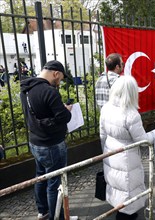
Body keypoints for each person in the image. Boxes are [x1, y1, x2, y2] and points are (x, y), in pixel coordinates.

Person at [100, 75, 155, 220]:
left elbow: (102, 134)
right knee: (128, 191)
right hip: (127, 157)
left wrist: (105, 152)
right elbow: (143, 141)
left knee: (116, 186)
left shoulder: (106, 108)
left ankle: (120, 211)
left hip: (110, 153)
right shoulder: (131, 114)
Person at [20, 60, 73, 220]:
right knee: (54, 183)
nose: (60, 81)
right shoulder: (50, 92)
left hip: (35, 142)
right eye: (61, 78)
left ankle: (42, 212)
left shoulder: (26, 89)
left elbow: (40, 113)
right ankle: (56, 217)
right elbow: (65, 117)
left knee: (41, 177)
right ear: (55, 73)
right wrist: (66, 109)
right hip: (52, 144)